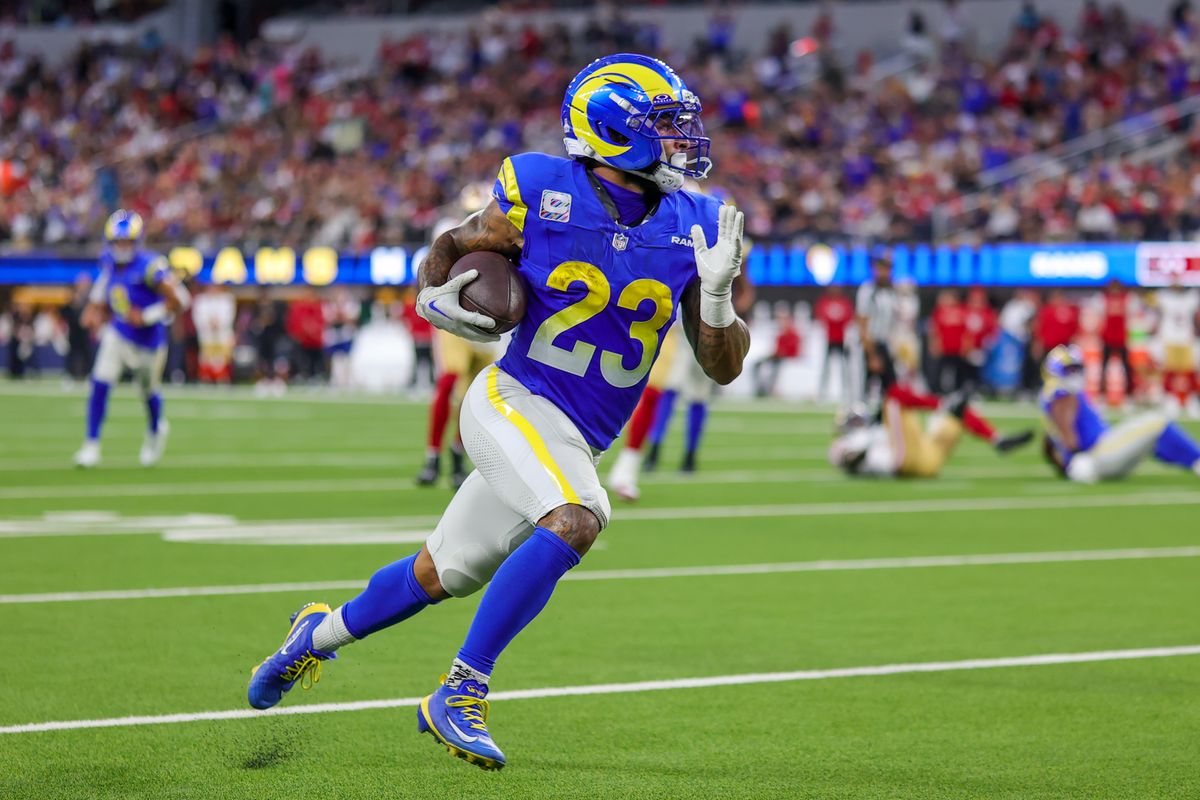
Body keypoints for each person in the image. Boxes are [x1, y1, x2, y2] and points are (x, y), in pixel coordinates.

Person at [245, 54, 750, 771]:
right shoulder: (539, 189)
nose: (681, 140)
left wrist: (718, 296)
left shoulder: (698, 222)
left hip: (578, 434)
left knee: (439, 573)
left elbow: (723, 365)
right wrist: (433, 294)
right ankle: (461, 691)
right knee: (578, 516)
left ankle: (312, 638)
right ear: (613, 132)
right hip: (514, 400)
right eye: (664, 125)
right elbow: (453, 245)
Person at [72, 210, 191, 468]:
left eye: (127, 241)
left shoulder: (150, 266)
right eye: (118, 241)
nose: (122, 247)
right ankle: (91, 444)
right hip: (119, 332)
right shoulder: (108, 261)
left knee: (148, 392)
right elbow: (105, 284)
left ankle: (156, 429)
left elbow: (182, 299)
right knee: (100, 383)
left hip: (149, 341)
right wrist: (94, 308)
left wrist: (147, 316)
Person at [1040, 344, 1200, 482]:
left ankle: (1192, 460)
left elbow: (1049, 441)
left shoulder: (1051, 394)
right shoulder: (1063, 394)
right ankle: (1196, 459)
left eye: (1076, 369)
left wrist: (1064, 465)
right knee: (1157, 422)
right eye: (1069, 369)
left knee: (1151, 436)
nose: (1074, 374)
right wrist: (1076, 456)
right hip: (1097, 454)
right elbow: (1065, 425)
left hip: (1095, 458)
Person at [828, 383, 1033, 478]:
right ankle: (943, 403)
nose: (859, 423)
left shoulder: (875, 429)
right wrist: (862, 451)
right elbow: (849, 459)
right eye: (854, 420)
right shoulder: (844, 444)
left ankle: (997, 439)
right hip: (899, 462)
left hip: (924, 459)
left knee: (957, 415)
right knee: (894, 396)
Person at [1154, 278, 1200, 418]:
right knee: (1170, 370)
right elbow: (1159, 315)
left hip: (1186, 337)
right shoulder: (1164, 297)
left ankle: (1191, 398)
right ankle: (1171, 398)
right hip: (1170, 338)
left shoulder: (1191, 297)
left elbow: (1195, 318)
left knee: (1189, 370)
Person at [856, 251, 898, 401]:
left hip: (885, 344)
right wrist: (871, 354)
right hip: (870, 344)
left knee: (890, 388)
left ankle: (883, 415)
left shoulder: (890, 292)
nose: (884, 272)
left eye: (887, 268)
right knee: (866, 388)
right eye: (881, 268)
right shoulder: (868, 291)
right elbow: (862, 323)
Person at [752, 304, 801, 397]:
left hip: (785, 358)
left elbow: (793, 350)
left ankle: (769, 389)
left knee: (775, 367)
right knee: (757, 364)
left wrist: (781, 353)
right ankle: (760, 388)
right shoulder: (780, 332)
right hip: (777, 357)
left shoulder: (792, 332)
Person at [814, 284, 853, 402]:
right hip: (829, 339)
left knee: (845, 368)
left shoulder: (844, 302)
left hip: (842, 339)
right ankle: (822, 391)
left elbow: (848, 317)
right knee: (826, 367)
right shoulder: (825, 302)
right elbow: (821, 316)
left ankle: (847, 391)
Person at [1099, 279, 1132, 403]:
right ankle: (1102, 394)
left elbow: (1132, 316)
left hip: (1121, 338)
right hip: (1108, 338)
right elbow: (1099, 317)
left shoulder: (1127, 299)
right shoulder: (1103, 299)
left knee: (1127, 367)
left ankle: (1129, 394)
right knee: (1104, 367)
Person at [929, 289, 968, 394]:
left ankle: (958, 390)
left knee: (958, 371)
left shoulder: (962, 311)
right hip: (944, 348)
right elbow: (934, 330)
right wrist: (934, 345)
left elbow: (966, 332)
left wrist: (965, 346)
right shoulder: (939, 312)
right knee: (939, 370)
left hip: (957, 348)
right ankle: (937, 391)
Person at [61, 273, 96, 381]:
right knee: (72, 352)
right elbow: (65, 313)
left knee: (87, 352)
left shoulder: (91, 298)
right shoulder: (73, 298)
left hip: (85, 331)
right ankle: (70, 374)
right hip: (74, 330)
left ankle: (88, 373)